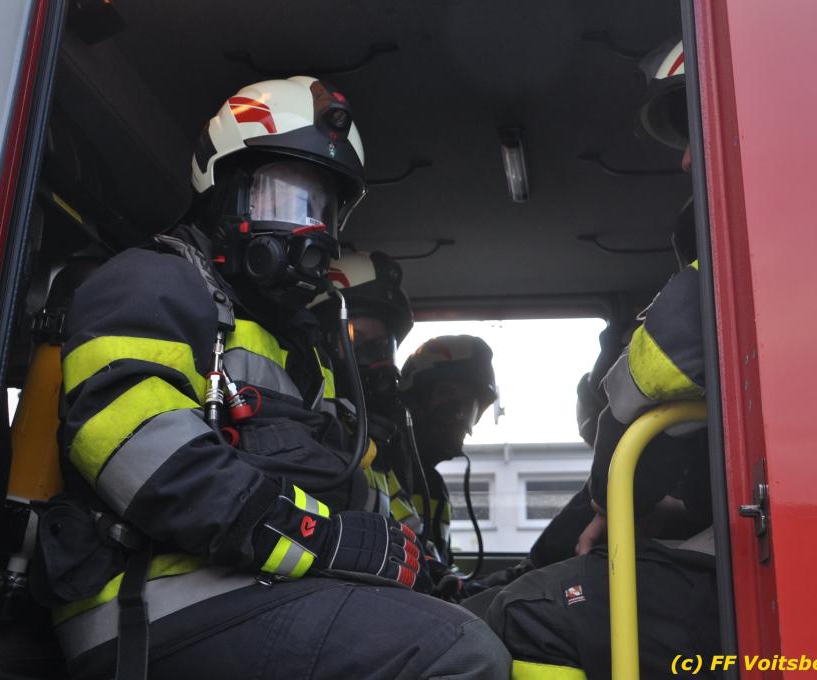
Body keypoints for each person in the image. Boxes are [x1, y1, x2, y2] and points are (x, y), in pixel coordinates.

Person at [37, 76, 510, 680]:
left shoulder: (302, 347)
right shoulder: (151, 282)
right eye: (287, 199)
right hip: (148, 602)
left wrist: (415, 561)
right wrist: (322, 538)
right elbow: (141, 452)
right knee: (458, 652)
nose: (310, 228)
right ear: (224, 191)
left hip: (254, 585)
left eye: (323, 209)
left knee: (485, 625)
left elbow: (340, 478)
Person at [472, 40, 721, 679]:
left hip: (758, 560)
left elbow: (647, 378)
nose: (685, 158)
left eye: (700, 128)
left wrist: (613, 499)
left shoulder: (738, 264)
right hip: (769, 541)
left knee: (523, 616)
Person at [310, 250, 425, 532]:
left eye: (382, 346)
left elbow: (409, 528)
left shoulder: (374, 439)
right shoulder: (306, 428)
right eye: (355, 339)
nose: (373, 358)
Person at [399, 335, 498, 583]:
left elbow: (437, 568)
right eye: (447, 394)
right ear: (415, 401)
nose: (458, 413)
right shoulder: (383, 467)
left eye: (469, 404)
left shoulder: (434, 485)